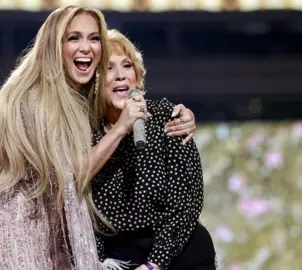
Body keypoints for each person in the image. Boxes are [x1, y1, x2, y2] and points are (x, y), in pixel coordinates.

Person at [0, 6, 197, 270]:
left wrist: (183, 115)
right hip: (20, 234)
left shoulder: (77, 102)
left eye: (94, 38)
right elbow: (67, 176)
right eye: (74, 38)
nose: (86, 47)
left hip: (58, 238)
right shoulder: (33, 99)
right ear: (53, 45)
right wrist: (120, 129)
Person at [91, 29, 218, 270]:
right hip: (119, 259)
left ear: (137, 77)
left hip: (177, 253)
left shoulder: (165, 115)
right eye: (109, 68)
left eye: (126, 66)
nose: (120, 76)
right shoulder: (87, 133)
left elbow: (187, 200)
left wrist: (154, 264)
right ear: (95, 82)